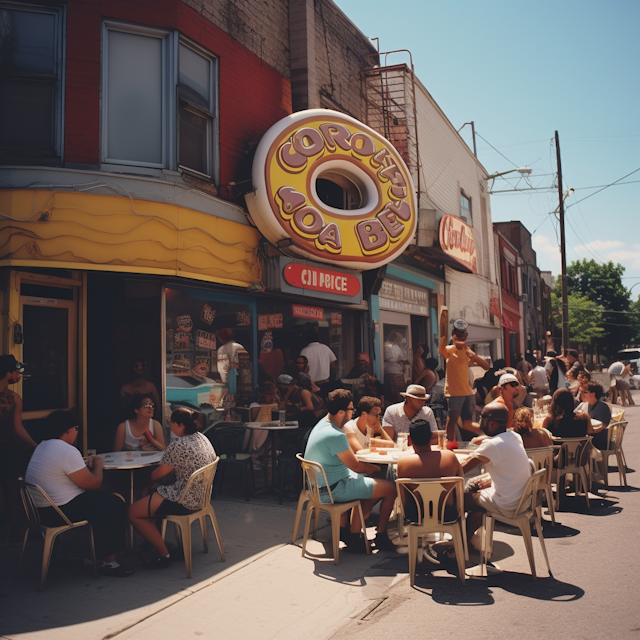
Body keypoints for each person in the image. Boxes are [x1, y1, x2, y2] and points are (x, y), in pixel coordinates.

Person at [25, 410, 133, 577]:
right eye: (75, 427)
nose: (76, 432)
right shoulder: (67, 451)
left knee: (102, 502)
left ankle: (90, 554)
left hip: (40, 512)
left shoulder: (42, 446)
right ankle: (108, 562)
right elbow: (94, 484)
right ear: (67, 430)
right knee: (114, 504)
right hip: (59, 512)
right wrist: (98, 464)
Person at [304, 389, 398, 551]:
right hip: (333, 489)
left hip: (319, 486)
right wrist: (373, 467)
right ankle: (380, 536)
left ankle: (351, 533)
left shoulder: (322, 425)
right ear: (341, 412)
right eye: (350, 410)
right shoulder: (336, 434)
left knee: (370, 479)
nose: (351, 413)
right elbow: (356, 466)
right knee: (390, 488)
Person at [128, 407, 216, 568]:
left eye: (172, 423)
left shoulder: (178, 445)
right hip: (201, 497)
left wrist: (148, 480)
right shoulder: (203, 438)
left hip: (184, 499)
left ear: (179, 425)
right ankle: (152, 541)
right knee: (153, 493)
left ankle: (164, 554)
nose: (171, 427)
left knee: (133, 512)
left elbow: (158, 474)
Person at [461, 403, 533, 550]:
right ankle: (465, 543)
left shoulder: (492, 446)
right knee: (477, 504)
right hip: (521, 500)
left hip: (507, 503)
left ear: (492, 423)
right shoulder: (514, 436)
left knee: (458, 500)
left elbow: (462, 469)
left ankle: (458, 545)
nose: (480, 423)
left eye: (482, 419)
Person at [0, 355, 37, 540]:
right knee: (12, 489)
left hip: (7, 451)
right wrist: (34, 446)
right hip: (7, 450)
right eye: (17, 372)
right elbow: (17, 428)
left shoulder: (14, 398)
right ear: (8, 374)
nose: (20, 375)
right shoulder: (14, 398)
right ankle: (16, 531)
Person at [438, 312, 489, 442]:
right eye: (459, 335)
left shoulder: (468, 351)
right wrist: (444, 329)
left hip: (468, 392)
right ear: (454, 336)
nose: (462, 338)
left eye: (464, 335)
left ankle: (489, 434)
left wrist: (474, 356)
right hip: (454, 392)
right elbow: (441, 348)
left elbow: (486, 366)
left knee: (468, 423)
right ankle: (450, 444)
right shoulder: (449, 350)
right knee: (452, 419)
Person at [300, 327, 337, 394]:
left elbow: (302, 370)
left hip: (312, 386)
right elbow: (333, 365)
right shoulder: (326, 348)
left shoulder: (305, 351)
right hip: (326, 383)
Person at [576, 382, 611, 450]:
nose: (582, 394)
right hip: (590, 436)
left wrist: (589, 431)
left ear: (593, 394)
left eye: (585, 392)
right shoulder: (586, 405)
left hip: (599, 440)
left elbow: (603, 426)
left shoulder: (602, 407)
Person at [383, 330, 409, 404]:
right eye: (399, 338)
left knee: (400, 389)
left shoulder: (397, 347)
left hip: (399, 371)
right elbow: (390, 358)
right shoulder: (388, 346)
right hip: (392, 371)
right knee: (394, 390)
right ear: (395, 338)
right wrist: (399, 359)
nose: (400, 340)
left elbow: (403, 357)